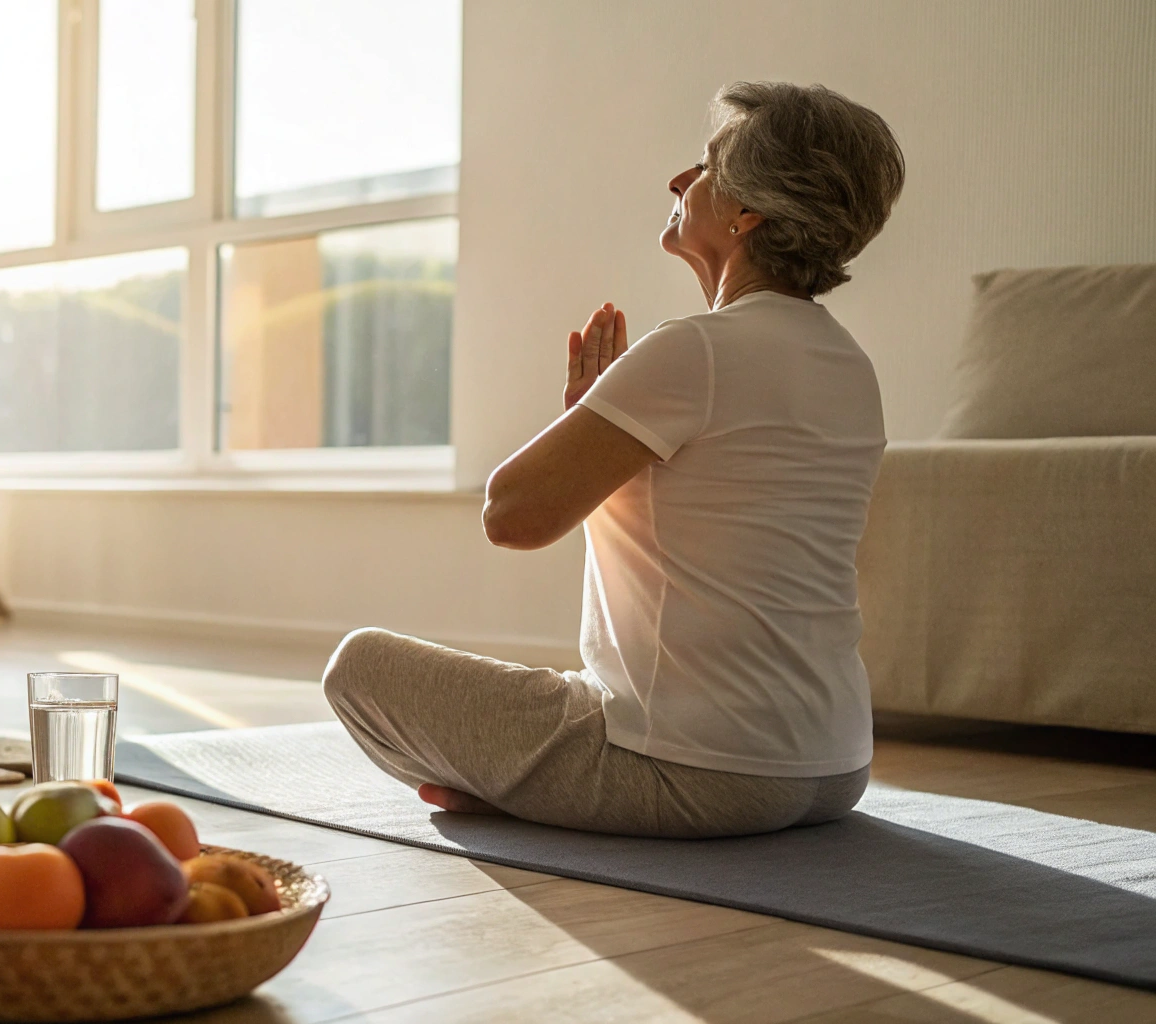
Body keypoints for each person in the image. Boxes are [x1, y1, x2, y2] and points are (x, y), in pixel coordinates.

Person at [323, 81, 907, 839]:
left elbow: (512, 515)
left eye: (705, 167)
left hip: (692, 770)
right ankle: (525, 787)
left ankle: (521, 793)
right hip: (833, 768)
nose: (679, 181)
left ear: (747, 212)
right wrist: (596, 429)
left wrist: (581, 425)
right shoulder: (849, 365)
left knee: (359, 667)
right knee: (568, 693)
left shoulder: (696, 348)